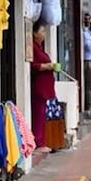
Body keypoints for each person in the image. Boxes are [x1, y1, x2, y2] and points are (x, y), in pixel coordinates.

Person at [29, 20, 61, 151]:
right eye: (42, 31)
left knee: (45, 115)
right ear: (35, 33)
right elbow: (32, 65)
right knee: (39, 114)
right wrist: (47, 66)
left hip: (47, 86)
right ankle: (38, 142)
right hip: (39, 86)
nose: (44, 34)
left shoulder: (40, 48)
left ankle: (47, 140)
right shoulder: (33, 48)